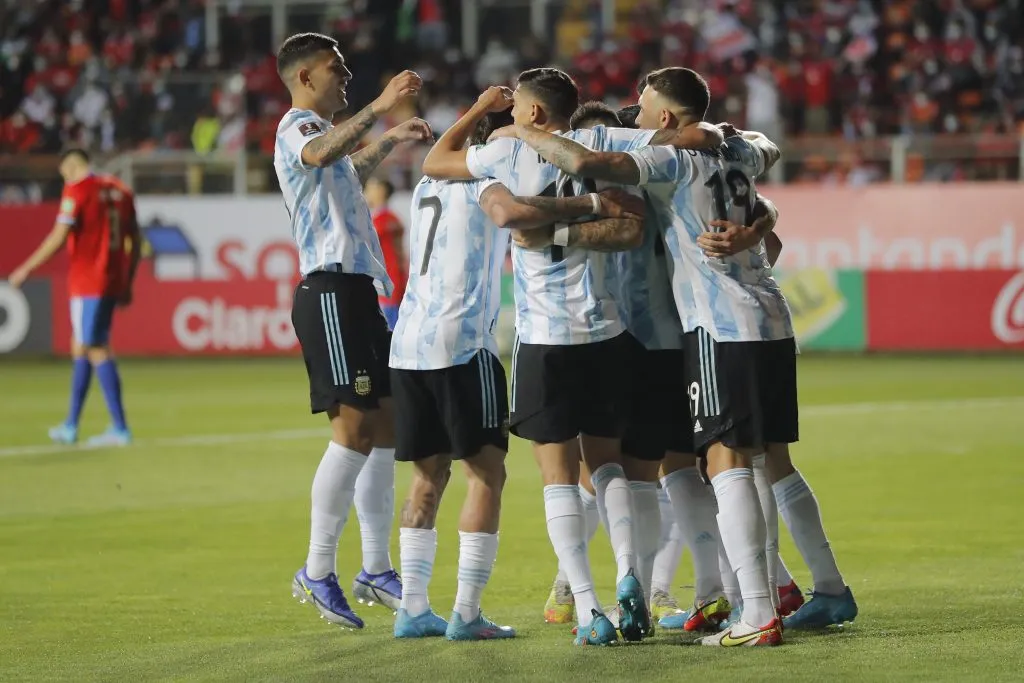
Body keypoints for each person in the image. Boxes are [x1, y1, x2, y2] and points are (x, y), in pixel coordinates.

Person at [515, 66, 793, 647]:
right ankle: (733, 588)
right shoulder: (672, 163)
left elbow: (594, 170)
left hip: (635, 341)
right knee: (693, 466)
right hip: (679, 338)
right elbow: (762, 176)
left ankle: (631, 584)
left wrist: (518, 133)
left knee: (648, 468)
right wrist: (726, 143)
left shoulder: (646, 169)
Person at [422, 72, 658, 646]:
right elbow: (631, 222)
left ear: (530, 111)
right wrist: (585, 207)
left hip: (546, 339)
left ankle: (586, 610)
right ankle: (630, 575)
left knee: (557, 478)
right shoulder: (599, 150)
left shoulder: (503, 151)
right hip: (606, 331)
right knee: (608, 467)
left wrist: (485, 114)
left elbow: (435, 162)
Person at [273, 31, 432, 630]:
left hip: (359, 292)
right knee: (356, 428)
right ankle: (317, 569)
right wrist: (381, 108)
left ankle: (374, 567)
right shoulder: (296, 125)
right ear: (305, 77)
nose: (345, 76)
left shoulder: (321, 136)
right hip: (329, 292)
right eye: (335, 68)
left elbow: (343, 164)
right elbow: (319, 156)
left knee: (386, 428)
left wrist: (387, 139)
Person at [9, 148, 140, 447]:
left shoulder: (78, 189)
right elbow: (136, 239)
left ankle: (119, 428)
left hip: (88, 281)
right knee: (80, 345)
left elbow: (58, 235)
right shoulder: (120, 190)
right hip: (110, 280)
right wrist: (128, 281)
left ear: (70, 167)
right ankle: (71, 425)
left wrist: (26, 268)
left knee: (95, 348)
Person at [364, 177, 407, 330]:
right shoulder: (393, 219)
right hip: (396, 279)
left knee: (390, 330)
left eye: (370, 188)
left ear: (381, 192)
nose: (365, 192)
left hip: (387, 282)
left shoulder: (379, 222)